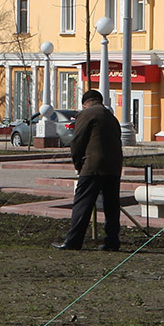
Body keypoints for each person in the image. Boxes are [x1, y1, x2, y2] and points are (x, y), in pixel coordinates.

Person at [57, 88, 123, 251]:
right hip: (114, 165)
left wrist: (78, 164)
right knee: (111, 205)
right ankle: (112, 241)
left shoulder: (86, 115)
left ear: (85, 104)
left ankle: (73, 241)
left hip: (93, 165)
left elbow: (77, 141)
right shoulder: (111, 117)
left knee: (83, 203)